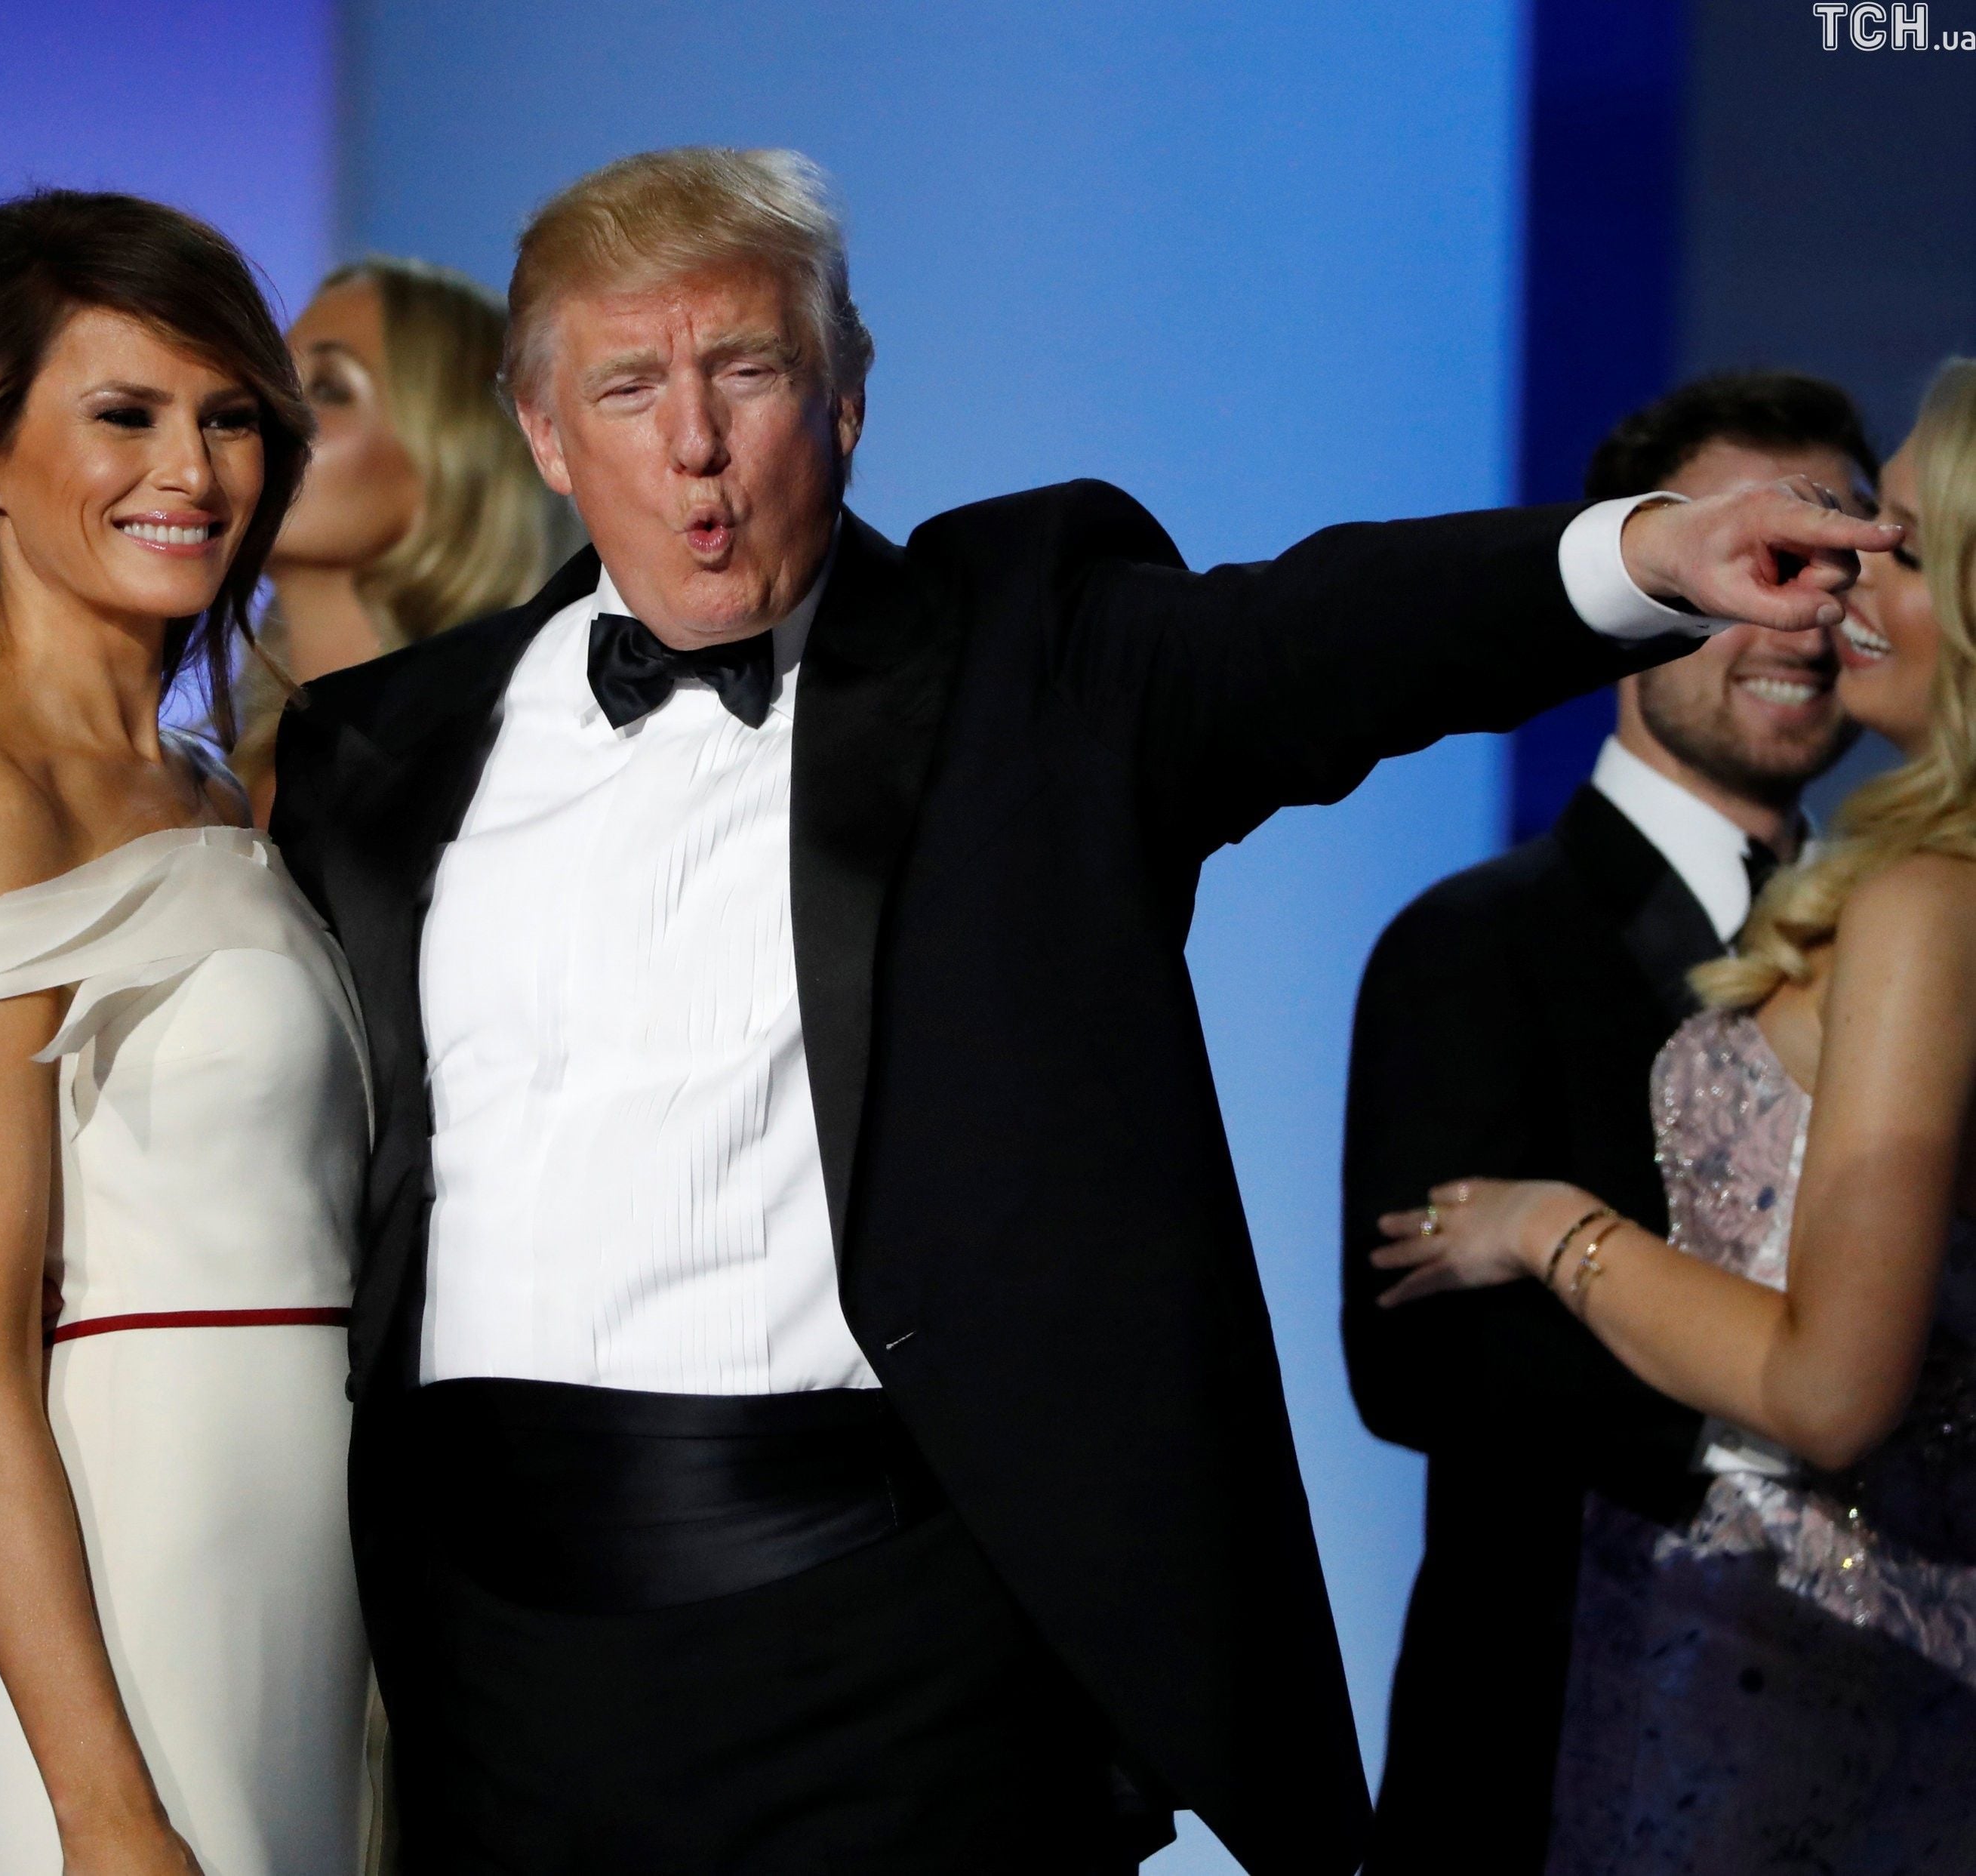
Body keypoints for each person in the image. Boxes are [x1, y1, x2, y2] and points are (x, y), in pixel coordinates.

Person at [267, 146, 1896, 1876]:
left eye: (745, 371)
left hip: (898, 1668)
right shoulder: (379, 751)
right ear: (541, 431)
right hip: (493, 1678)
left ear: (846, 394)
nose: (694, 444)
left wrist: (1647, 557)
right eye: (627, 387)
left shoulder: (1026, 658)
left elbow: (1320, 637)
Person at [0, 191, 370, 1876]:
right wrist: (102, 1809)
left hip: (310, 1592)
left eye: (229, 417)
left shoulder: (213, 784)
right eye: (125, 414)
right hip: (126, 1602)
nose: (193, 470)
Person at [1373, 359, 1976, 1872]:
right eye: (1756, 555)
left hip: (1849, 1690)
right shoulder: (1473, 942)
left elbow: (1838, 1382)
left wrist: (1554, 1233)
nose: (1813, 599)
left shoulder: (1921, 910)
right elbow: (1418, 1357)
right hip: (1560, 1713)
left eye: (1864, 542)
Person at [231, 255, 574, 823]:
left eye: (328, 388)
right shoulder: (213, 783)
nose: (260, 416)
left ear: (456, 465)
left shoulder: (509, 784)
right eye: (267, 381)